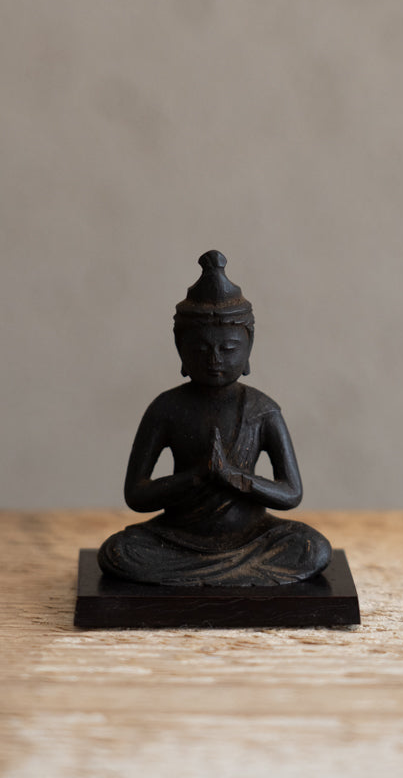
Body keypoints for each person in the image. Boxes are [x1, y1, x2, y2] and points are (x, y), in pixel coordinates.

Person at [97, 251, 332, 586]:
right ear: (180, 349)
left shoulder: (263, 411)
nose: (215, 360)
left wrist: (236, 478)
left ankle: (205, 577)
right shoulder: (166, 408)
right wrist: (195, 478)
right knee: (119, 551)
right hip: (178, 536)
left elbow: (291, 493)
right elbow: (136, 495)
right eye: (202, 350)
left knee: (312, 548)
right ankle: (232, 577)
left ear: (249, 349)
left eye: (229, 348)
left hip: (251, 536)